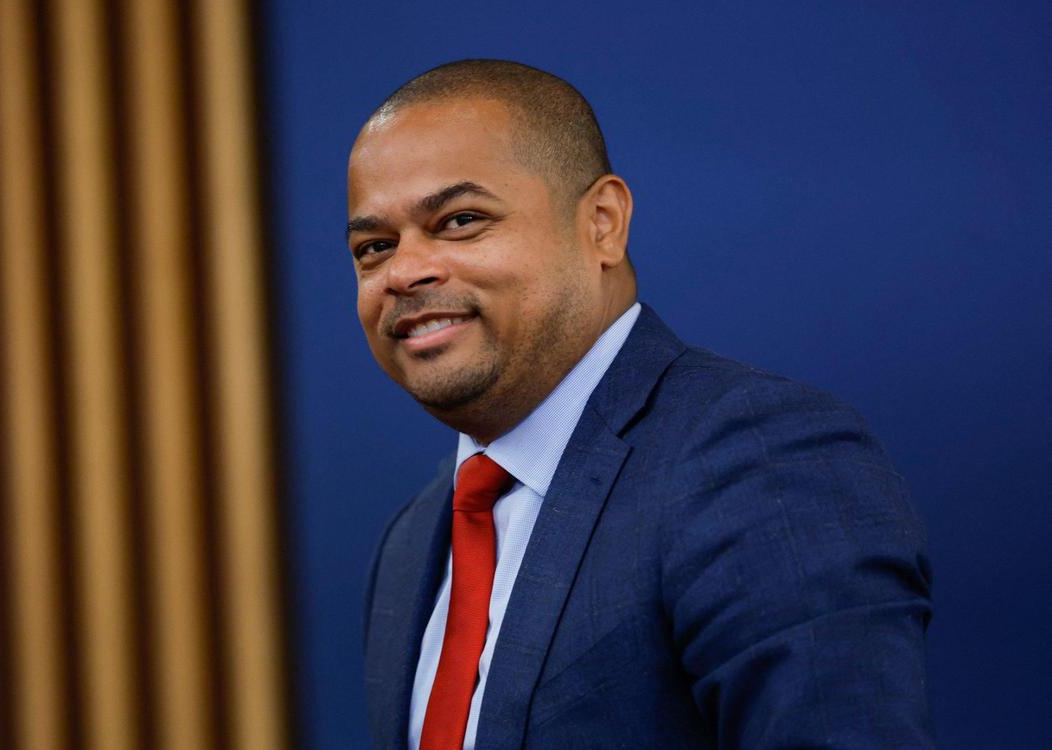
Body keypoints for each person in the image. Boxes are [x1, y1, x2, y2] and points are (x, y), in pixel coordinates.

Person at [351, 59, 933, 749]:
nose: (404, 270)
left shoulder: (759, 463)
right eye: (374, 247)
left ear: (602, 223)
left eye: (460, 220)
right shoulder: (411, 542)